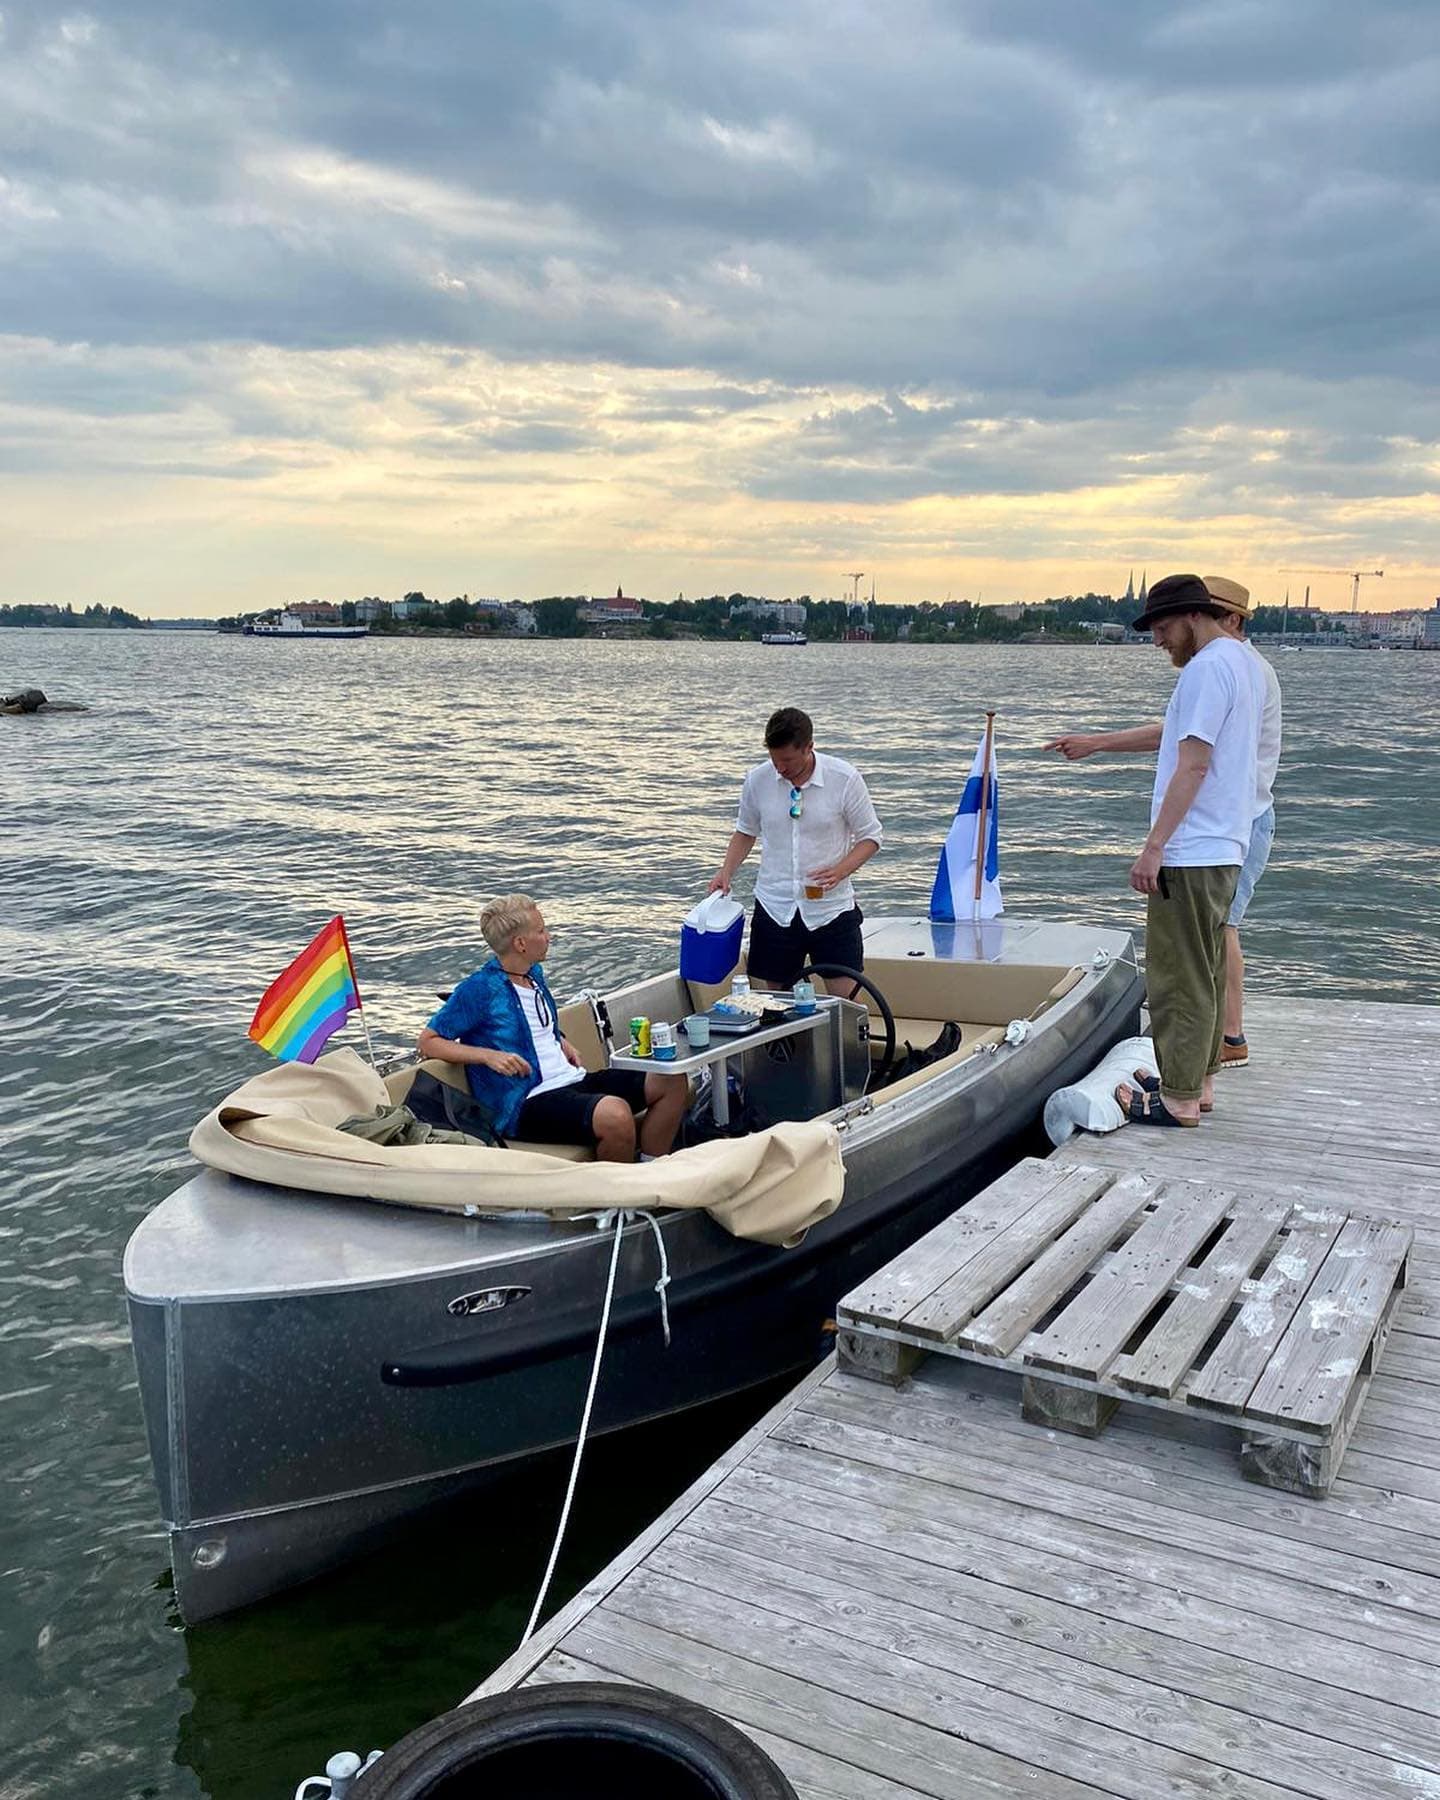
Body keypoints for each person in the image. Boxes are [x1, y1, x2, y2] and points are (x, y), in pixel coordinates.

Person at [1045, 576, 1280, 1068]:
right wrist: (1097, 742)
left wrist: (1154, 847)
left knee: (1182, 972)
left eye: (1163, 626)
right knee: (1208, 957)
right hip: (1231, 832)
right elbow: (1180, 732)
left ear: (1207, 615)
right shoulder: (1248, 667)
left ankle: (1184, 1091)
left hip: (1204, 838)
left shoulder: (1209, 669)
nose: (1156, 639)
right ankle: (1208, 1068)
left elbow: (1192, 762)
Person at [417, 895, 688, 1160]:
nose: (549, 936)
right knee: (615, 1115)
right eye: (541, 930)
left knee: (671, 1080)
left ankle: (652, 1172)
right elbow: (428, 1041)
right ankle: (620, 1198)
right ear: (521, 943)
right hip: (525, 1101)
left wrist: (560, 1038)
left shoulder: (532, 975)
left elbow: (531, 1023)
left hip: (571, 1079)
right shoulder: (479, 990)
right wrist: (489, 1056)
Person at [708, 707, 883, 994]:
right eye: (774, 759)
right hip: (774, 905)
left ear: (809, 748)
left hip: (831, 908)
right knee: (778, 1004)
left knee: (847, 1003)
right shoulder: (757, 780)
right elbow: (745, 832)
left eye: (787, 760)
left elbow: (871, 837)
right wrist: (725, 871)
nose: (780, 768)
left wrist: (841, 870)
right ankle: (790, 1041)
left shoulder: (845, 778)